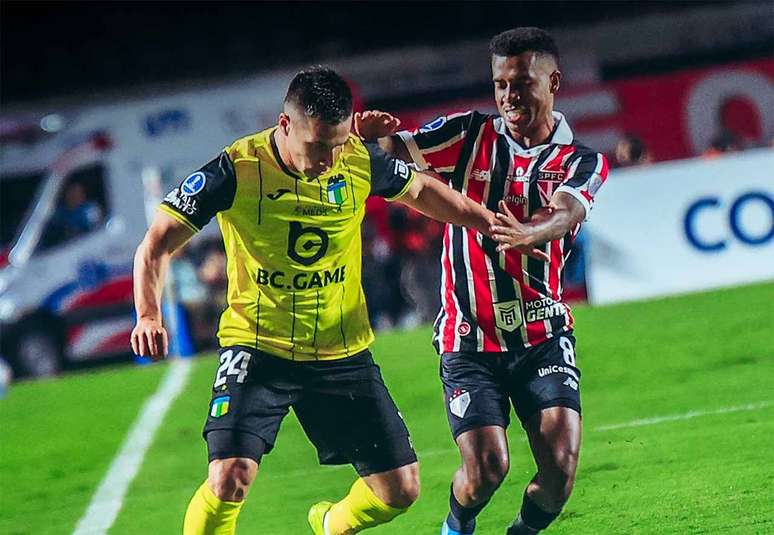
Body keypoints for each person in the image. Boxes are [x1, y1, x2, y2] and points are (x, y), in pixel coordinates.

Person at [131, 67, 546, 535]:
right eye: (317, 147)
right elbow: (156, 243)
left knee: (401, 490)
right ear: (285, 125)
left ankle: (331, 524)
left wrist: (493, 224)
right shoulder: (237, 168)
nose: (329, 160)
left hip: (341, 351)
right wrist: (148, 313)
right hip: (257, 346)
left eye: (338, 144)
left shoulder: (356, 157)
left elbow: (426, 193)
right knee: (229, 477)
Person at [356, 27, 609, 534]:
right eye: (500, 85)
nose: (509, 96)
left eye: (521, 82)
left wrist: (531, 232)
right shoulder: (470, 134)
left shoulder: (582, 160)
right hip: (470, 337)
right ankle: (456, 527)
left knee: (559, 473)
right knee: (487, 470)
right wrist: (373, 136)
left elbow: (566, 212)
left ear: (553, 81)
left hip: (543, 335)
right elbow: (395, 155)